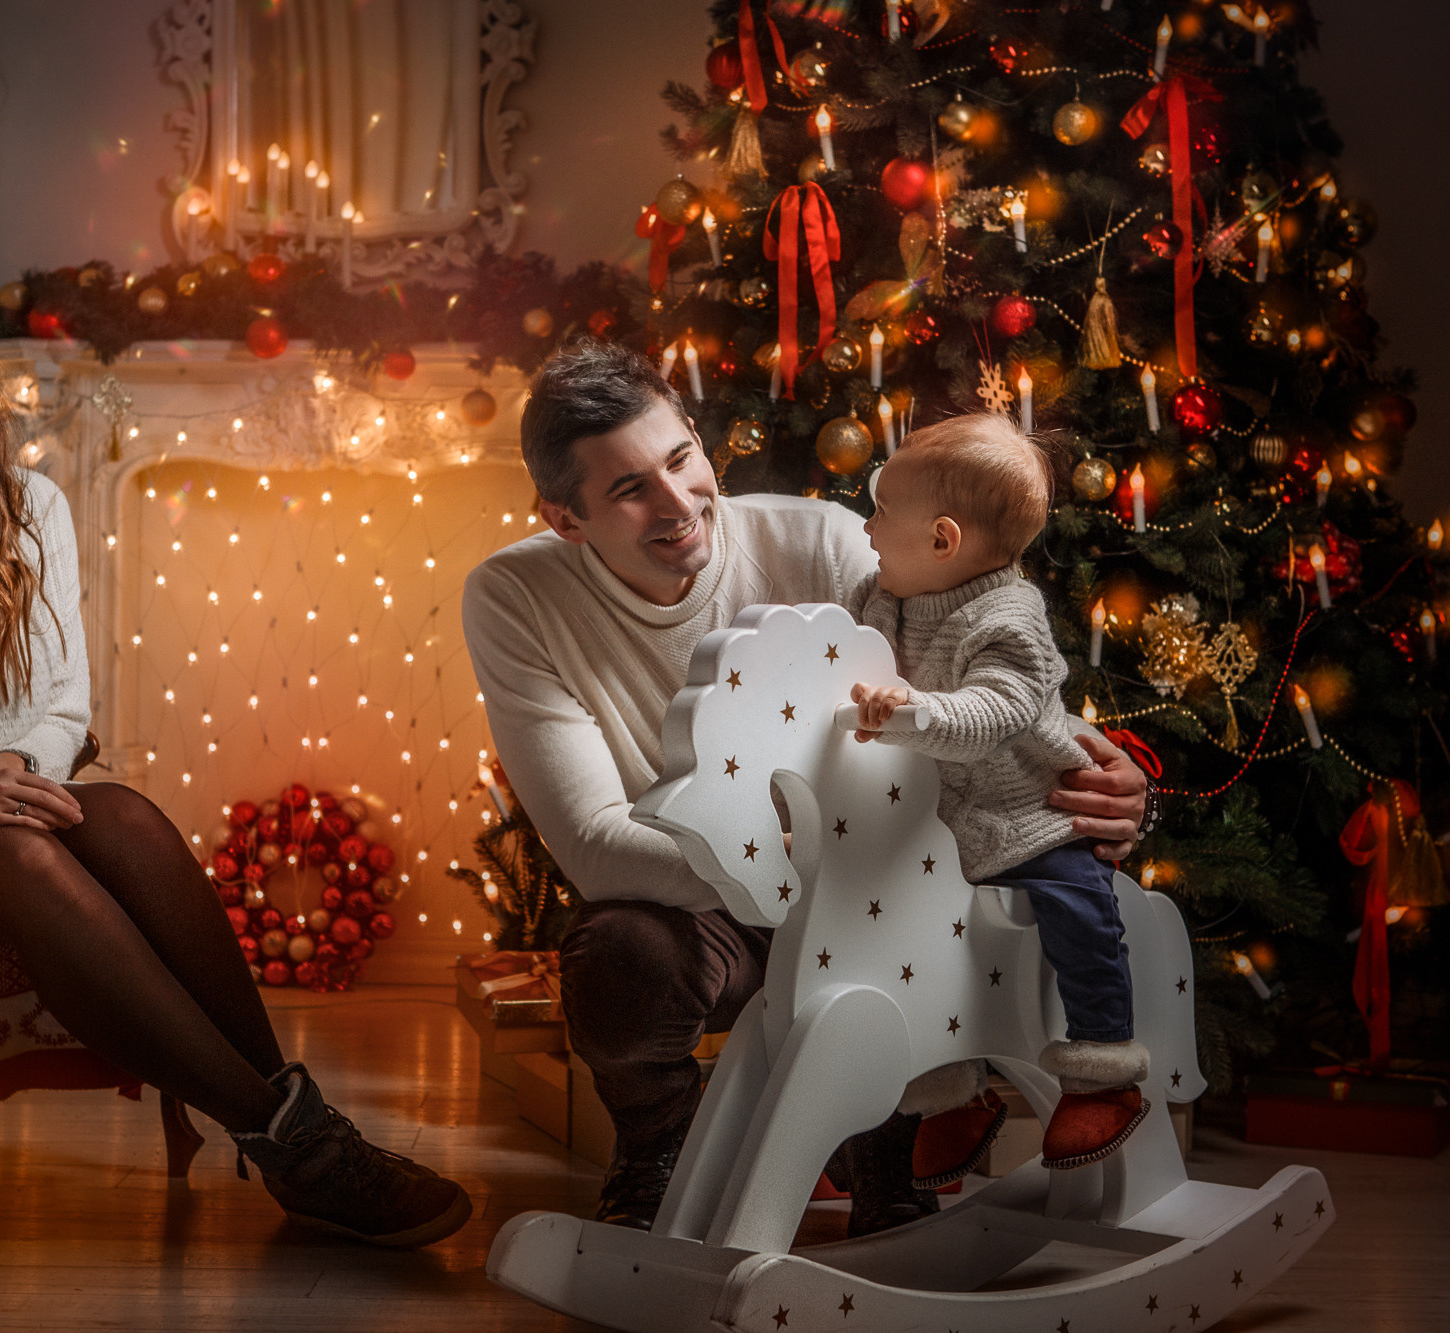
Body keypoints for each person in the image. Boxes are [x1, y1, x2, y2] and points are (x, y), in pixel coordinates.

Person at [0, 257, 470, 1248]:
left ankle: (297, 1127)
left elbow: (63, 702)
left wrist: (20, 776)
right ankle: (295, 1143)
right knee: (17, 855)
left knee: (117, 811)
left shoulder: (28, 507)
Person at [461, 341, 1147, 1234]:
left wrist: (1096, 765)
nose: (679, 506)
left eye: (680, 460)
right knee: (617, 953)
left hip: (873, 878)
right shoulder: (516, 596)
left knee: (888, 910)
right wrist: (791, 872)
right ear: (565, 517)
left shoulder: (824, 542)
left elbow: (977, 676)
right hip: (702, 891)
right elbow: (594, 842)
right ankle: (657, 1159)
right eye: (630, 490)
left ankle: (887, 1166)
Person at [848, 413, 1151, 1170]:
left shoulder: (1010, 617)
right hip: (940, 831)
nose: (868, 526)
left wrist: (913, 713)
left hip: (1031, 818)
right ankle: (953, 1093)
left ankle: (1102, 1072)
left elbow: (994, 714)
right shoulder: (889, 596)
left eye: (883, 510)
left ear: (943, 540)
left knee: (1081, 908)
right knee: (901, 941)